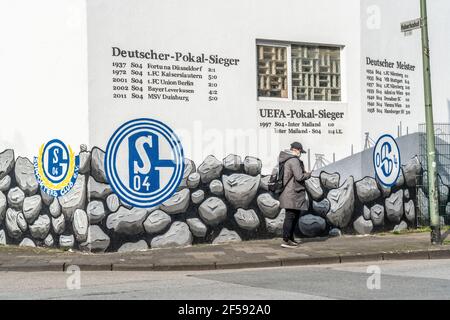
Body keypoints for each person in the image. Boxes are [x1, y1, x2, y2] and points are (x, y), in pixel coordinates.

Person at [278, 142, 311, 248]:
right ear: (296, 150)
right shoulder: (294, 160)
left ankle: (290, 239)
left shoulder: (287, 159)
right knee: (291, 216)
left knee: (293, 216)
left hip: (290, 192)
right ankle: (286, 240)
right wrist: (308, 174)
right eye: (300, 151)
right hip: (292, 193)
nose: (301, 153)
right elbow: (299, 177)